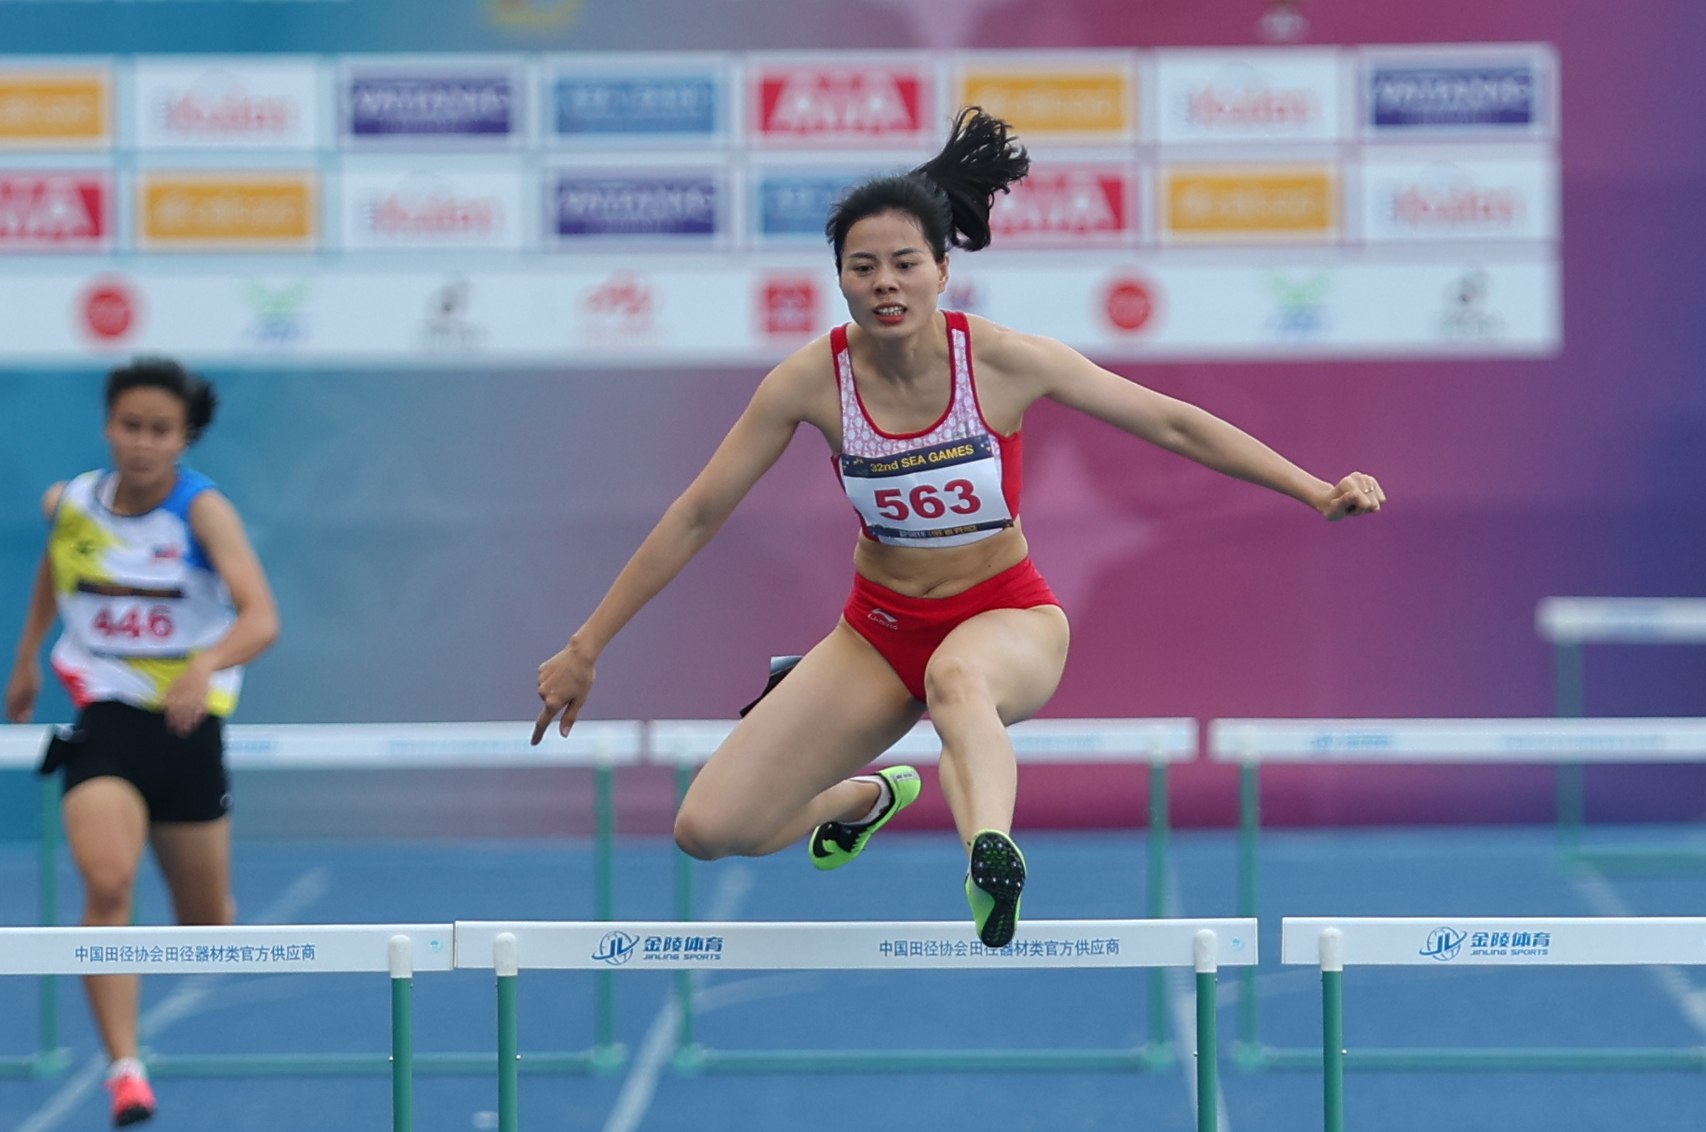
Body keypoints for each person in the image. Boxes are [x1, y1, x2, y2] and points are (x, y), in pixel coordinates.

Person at [533, 108, 1384, 949]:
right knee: (709, 829)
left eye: (905, 264)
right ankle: (865, 799)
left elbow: (1173, 424)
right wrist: (588, 644)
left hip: (1007, 619)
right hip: (875, 634)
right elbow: (696, 515)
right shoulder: (809, 384)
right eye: (862, 268)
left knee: (957, 679)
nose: (884, 283)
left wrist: (1312, 490)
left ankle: (989, 854)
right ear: (841, 281)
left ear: (944, 269)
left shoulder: (1005, 361)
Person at [4, 358, 279, 1127]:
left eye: (160, 431)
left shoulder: (203, 513)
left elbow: (262, 618)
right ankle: (125, 1068)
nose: (142, 444)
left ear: (183, 438)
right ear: (108, 426)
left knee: (207, 931)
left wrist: (205, 663)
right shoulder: (72, 503)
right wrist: (28, 656)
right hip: (106, 722)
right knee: (107, 884)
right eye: (130, 426)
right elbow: (55, 576)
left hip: (189, 729)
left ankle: (210, 915)